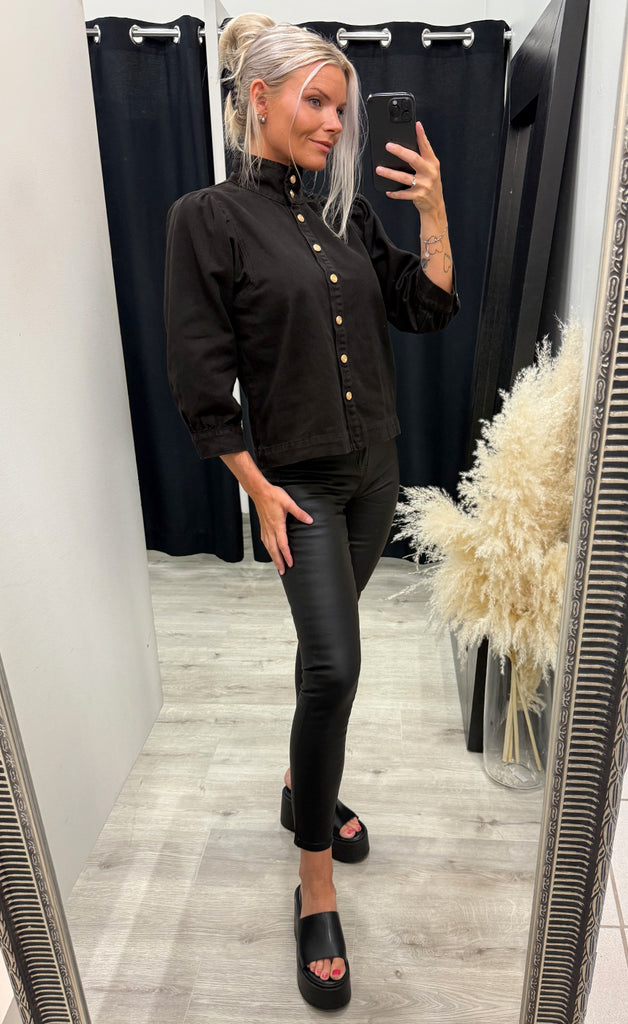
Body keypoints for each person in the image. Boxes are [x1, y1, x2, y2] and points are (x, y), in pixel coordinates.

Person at [164, 12, 459, 1010]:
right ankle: (316, 884)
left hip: (375, 472)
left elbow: (423, 308)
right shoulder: (206, 218)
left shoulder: (344, 215)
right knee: (334, 666)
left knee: (322, 659)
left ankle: (305, 788)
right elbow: (200, 379)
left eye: (343, 107)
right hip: (298, 486)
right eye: (318, 102)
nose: (336, 122)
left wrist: (434, 214)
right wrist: (257, 490)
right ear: (260, 98)